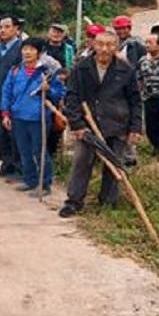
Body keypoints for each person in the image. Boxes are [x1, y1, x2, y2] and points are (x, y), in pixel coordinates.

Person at [60, 31, 142, 216]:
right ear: (93, 45)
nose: (104, 49)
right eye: (100, 44)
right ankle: (74, 201)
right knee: (82, 162)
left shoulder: (125, 70)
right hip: (88, 125)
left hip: (117, 124)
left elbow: (135, 101)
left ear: (117, 47)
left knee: (114, 164)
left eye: (110, 45)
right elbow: (72, 97)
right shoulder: (82, 68)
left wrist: (135, 127)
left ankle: (108, 202)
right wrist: (77, 125)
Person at [0, 38, 65, 197]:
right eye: (25, 49)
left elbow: (60, 93)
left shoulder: (46, 73)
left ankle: (45, 183)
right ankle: (30, 180)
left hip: (38, 118)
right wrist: (6, 113)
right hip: (18, 116)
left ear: (39, 53)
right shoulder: (15, 70)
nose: (27, 52)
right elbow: (6, 92)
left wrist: (48, 89)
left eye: (31, 49)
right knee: (24, 151)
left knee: (40, 151)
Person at [0, 16, 24, 178]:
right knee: (0, 134)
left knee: (14, 135)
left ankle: (18, 167)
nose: (3, 30)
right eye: (1, 27)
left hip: (13, 100)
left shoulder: (22, 49)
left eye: (7, 27)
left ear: (16, 29)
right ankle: (6, 164)